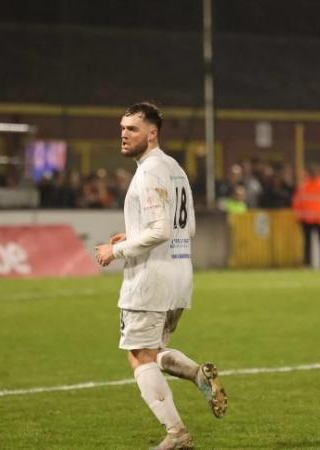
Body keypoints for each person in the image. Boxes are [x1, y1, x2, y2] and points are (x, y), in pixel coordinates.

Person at [94, 102, 227, 450]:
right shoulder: (175, 168)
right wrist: (133, 233)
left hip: (150, 280)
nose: (124, 134)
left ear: (151, 133)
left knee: (139, 357)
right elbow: (188, 227)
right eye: (122, 128)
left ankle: (176, 434)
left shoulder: (150, 171)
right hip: (179, 278)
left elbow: (162, 229)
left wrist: (116, 250)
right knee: (155, 351)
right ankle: (197, 374)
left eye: (132, 129)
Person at [291, 165, 320, 268]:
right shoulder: (304, 186)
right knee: (307, 243)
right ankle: (307, 263)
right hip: (307, 219)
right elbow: (297, 202)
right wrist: (299, 216)